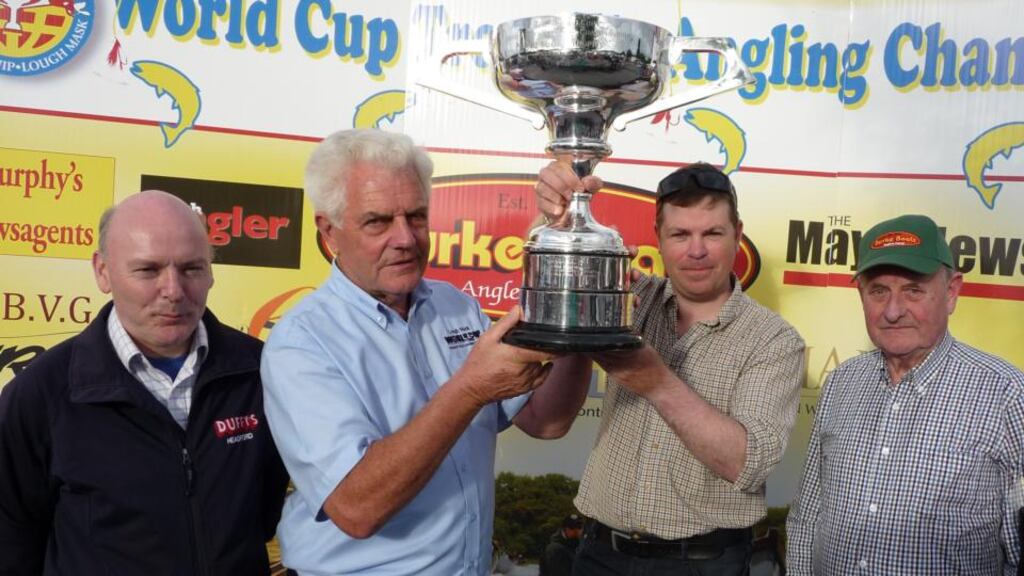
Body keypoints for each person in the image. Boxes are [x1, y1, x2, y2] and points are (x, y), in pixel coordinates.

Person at [260, 129, 592, 575]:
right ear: (329, 231)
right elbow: (358, 507)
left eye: (417, 217)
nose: (406, 238)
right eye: (377, 221)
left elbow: (547, 421)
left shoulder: (455, 305)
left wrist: (571, 292)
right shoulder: (303, 341)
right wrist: (469, 389)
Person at [533, 160, 805, 575]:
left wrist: (658, 383)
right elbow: (563, 279)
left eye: (712, 233)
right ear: (658, 238)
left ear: (738, 236)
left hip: (704, 564)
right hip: (596, 554)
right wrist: (560, 217)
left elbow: (748, 463)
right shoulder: (627, 297)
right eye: (680, 234)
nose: (696, 251)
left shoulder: (773, 339)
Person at [0, 191, 289, 574]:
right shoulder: (39, 395)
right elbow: (11, 544)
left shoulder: (262, 372)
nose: (173, 291)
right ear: (103, 272)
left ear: (211, 271)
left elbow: (267, 511)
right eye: (148, 270)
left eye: (191, 269)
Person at [786, 214, 1024, 574]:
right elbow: (808, 516)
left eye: (913, 290)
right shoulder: (841, 383)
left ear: (952, 291)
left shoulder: (1005, 394)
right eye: (878, 291)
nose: (893, 311)